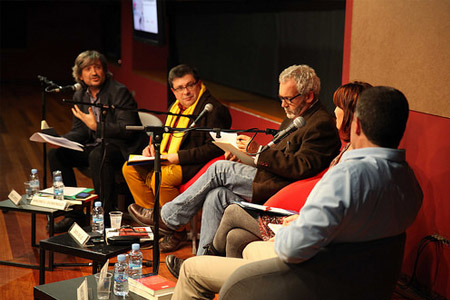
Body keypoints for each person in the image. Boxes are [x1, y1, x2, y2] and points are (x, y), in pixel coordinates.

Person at [170, 86, 423, 300]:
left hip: (312, 281)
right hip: (359, 282)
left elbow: (292, 249)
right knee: (242, 244)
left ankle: (170, 223)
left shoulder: (346, 178)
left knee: (192, 269)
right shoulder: (409, 182)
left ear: (356, 125)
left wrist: (286, 231)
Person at [145, 64, 341, 254]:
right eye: (281, 98)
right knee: (216, 196)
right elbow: (279, 155)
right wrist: (247, 156)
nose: (283, 104)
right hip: (270, 176)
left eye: (288, 99)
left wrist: (259, 152)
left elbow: (301, 167)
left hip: (281, 187)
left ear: (309, 96)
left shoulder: (320, 123)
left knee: (219, 168)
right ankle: (201, 262)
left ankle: (168, 218)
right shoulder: (295, 114)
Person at [190, 81, 373, 263]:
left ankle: (204, 258)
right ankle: (221, 277)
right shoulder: (347, 147)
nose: (334, 111)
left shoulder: (352, 161)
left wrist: (301, 218)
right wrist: (249, 155)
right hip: (299, 213)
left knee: (230, 203)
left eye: (338, 106)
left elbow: (302, 169)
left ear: (352, 116)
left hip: (301, 220)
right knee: (231, 230)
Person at [124, 64, 232, 251]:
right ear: (174, 91)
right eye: (180, 88)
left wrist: (178, 157)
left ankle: (176, 229)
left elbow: (215, 149)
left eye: (190, 85)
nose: (186, 92)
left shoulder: (212, 109)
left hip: (198, 165)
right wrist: (151, 150)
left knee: (162, 176)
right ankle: (156, 225)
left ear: (199, 84)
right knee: (129, 168)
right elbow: (168, 138)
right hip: (173, 159)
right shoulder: (175, 108)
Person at [48, 50, 147, 232]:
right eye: (88, 69)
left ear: (104, 71)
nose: (94, 72)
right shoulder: (80, 96)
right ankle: (74, 213)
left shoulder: (119, 92)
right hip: (98, 145)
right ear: (80, 75)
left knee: (98, 155)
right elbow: (80, 131)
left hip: (123, 148)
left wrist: (97, 127)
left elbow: (128, 129)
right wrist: (61, 140)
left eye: (98, 67)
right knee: (57, 154)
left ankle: (107, 218)